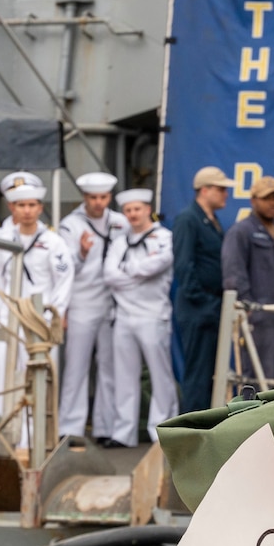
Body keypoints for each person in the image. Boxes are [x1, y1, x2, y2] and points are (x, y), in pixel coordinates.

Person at [0, 172, 74, 442]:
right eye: (21, 205)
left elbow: (63, 281)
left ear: (40, 208)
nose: (27, 211)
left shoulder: (54, 242)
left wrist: (57, 314)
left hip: (36, 318)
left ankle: (34, 438)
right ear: (11, 207)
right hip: (3, 314)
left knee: (38, 376)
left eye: (31, 205)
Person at [103, 188, 176, 448]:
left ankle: (161, 431)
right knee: (124, 376)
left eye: (137, 209)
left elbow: (158, 265)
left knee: (160, 376)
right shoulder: (120, 241)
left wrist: (127, 273)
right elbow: (109, 275)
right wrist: (136, 274)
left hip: (153, 315)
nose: (133, 214)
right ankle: (124, 432)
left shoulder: (164, 237)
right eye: (128, 210)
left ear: (147, 209)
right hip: (123, 317)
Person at [59, 171, 127, 445]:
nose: (98, 203)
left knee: (109, 368)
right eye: (93, 198)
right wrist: (82, 253)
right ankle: (70, 428)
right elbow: (63, 270)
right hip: (81, 302)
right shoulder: (70, 225)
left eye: (103, 197)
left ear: (109, 197)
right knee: (76, 366)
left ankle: (105, 427)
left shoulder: (120, 222)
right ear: (84, 198)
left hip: (112, 304)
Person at [221, 175, 274, 382]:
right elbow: (233, 275)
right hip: (258, 319)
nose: (273, 203)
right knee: (256, 380)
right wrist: (250, 312)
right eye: (267, 198)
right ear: (253, 200)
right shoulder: (241, 232)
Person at [173, 166, 234, 412]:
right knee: (198, 375)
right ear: (205, 190)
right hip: (199, 310)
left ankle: (205, 426)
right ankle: (192, 431)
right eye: (221, 189)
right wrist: (204, 302)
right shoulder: (188, 219)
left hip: (211, 307)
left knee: (210, 374)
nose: (225, 194)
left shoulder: (210, 220)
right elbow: (184, 266)